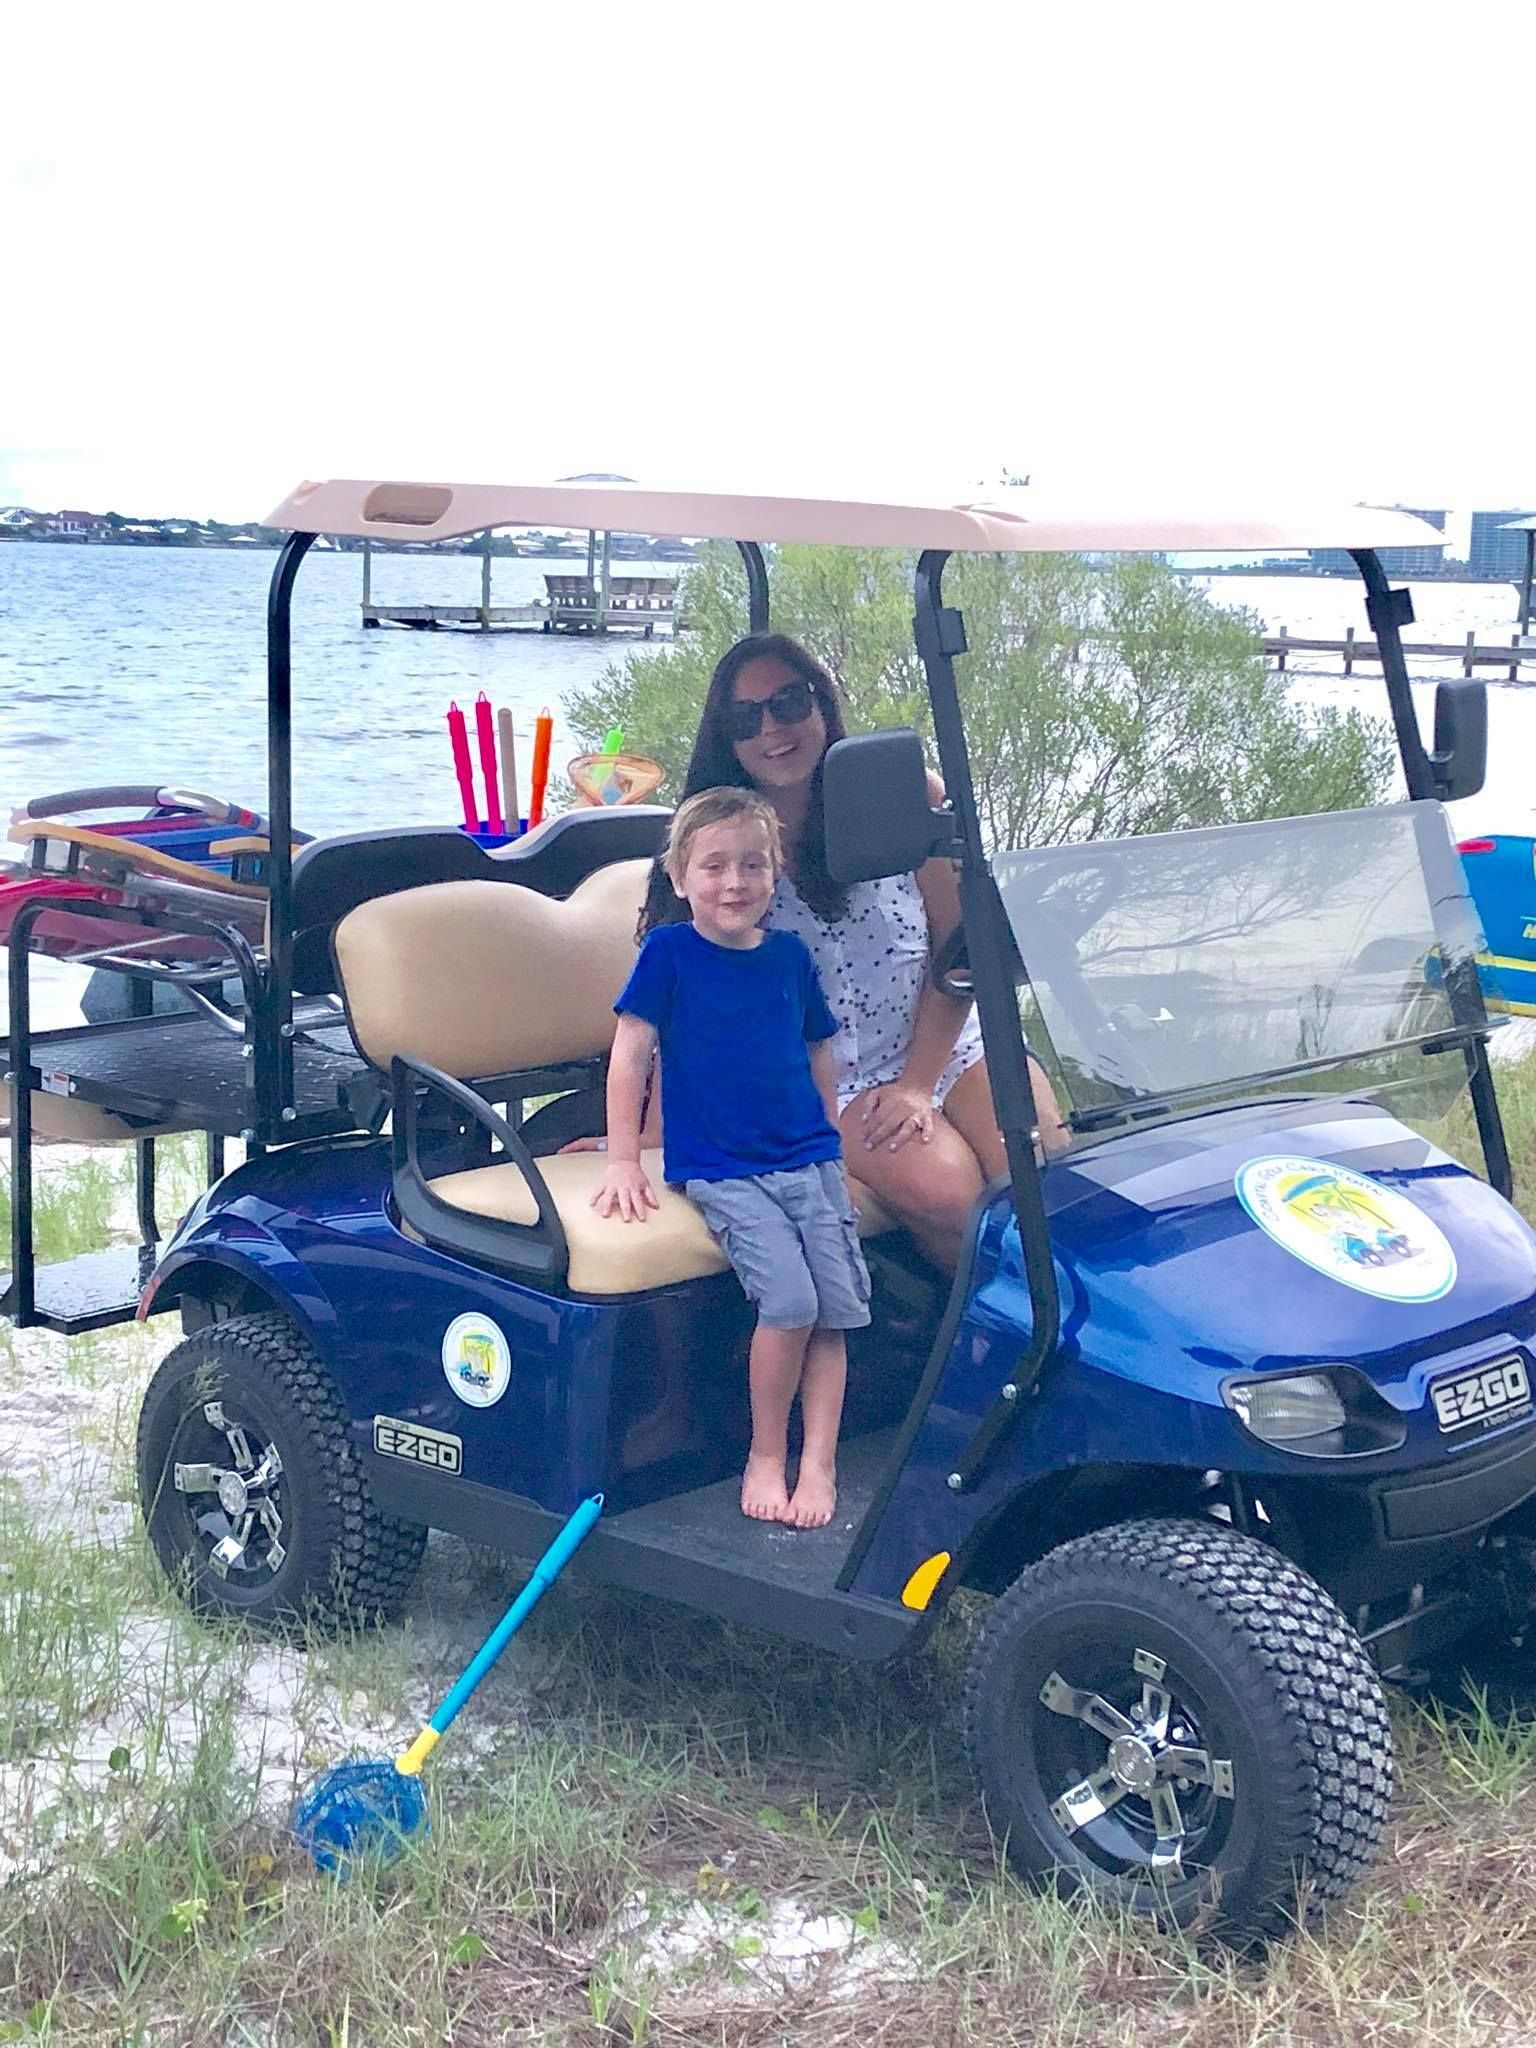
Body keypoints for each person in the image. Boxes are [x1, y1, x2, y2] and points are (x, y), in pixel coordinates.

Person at [635, 632, 1068, 1272]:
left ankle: (1075, 1326)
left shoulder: (904, 797)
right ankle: (999, 1333)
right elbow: (687, 1000)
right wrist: (647, 1138)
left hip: (947, 1043)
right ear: (726, 736)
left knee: (1046, 1179)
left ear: (821, 702)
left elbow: (960, 950)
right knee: (953, 1197)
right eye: (745, 717)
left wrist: (918, 1085)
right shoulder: (724, 845)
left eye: (788, 703)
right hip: (826, 1082)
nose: (771, 729)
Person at [592, 787, 870, 1529]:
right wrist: (625, 1158)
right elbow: (631, 1055)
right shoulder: (669, 953)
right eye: (713, 866)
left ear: (775, 874)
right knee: (792, 1303)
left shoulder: (789, 957)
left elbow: (817, 1051)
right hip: (723, 1167)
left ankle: (819, 1463)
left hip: (809, 1162)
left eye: (753, 865)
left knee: (834, 1313)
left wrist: (831, 1140)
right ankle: (766, 1453)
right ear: (680, 878)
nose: (734, 882)